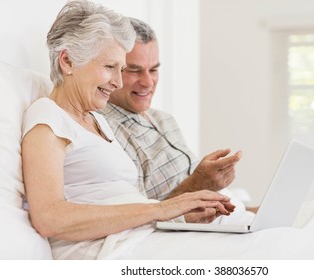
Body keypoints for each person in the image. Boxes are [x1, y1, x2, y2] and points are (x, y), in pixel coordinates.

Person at [21, 0, 235, 260]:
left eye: (121, 69)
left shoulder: (97, 120)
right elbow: (49, 218)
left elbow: (121, 202)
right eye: (110, 67)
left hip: (140, 239)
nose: (118, 82)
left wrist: (179, 214)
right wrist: (162, 210)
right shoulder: (48, 116)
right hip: (109, 252)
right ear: (67, 61)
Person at [99, 18, 256, 220]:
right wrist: (197, 184)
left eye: (154, 69)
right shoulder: (104, 130)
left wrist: (247, 209)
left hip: (230, 214)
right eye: (134, 70)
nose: (148, 82)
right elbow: (139, 219)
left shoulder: (164, 120)